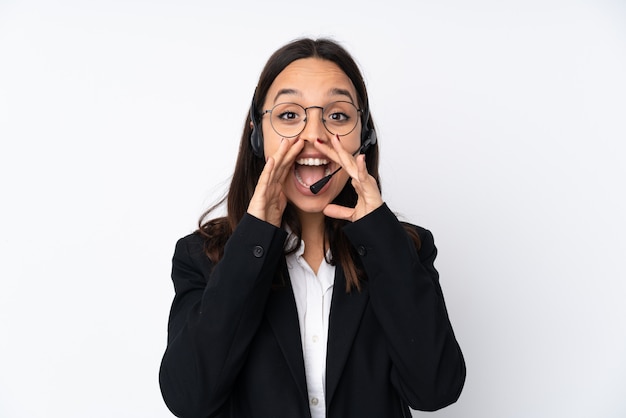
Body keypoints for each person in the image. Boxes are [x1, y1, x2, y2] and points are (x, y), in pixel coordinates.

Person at [159, 37, 466, 418]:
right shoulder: (202, 255)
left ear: (363, 135)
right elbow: (189, 397)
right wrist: (255, 239)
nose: (314, 136)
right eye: (290, 115)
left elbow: (435, 389)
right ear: (258, 133)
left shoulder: (404, 249)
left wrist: (381, 238)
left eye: (337, 116)